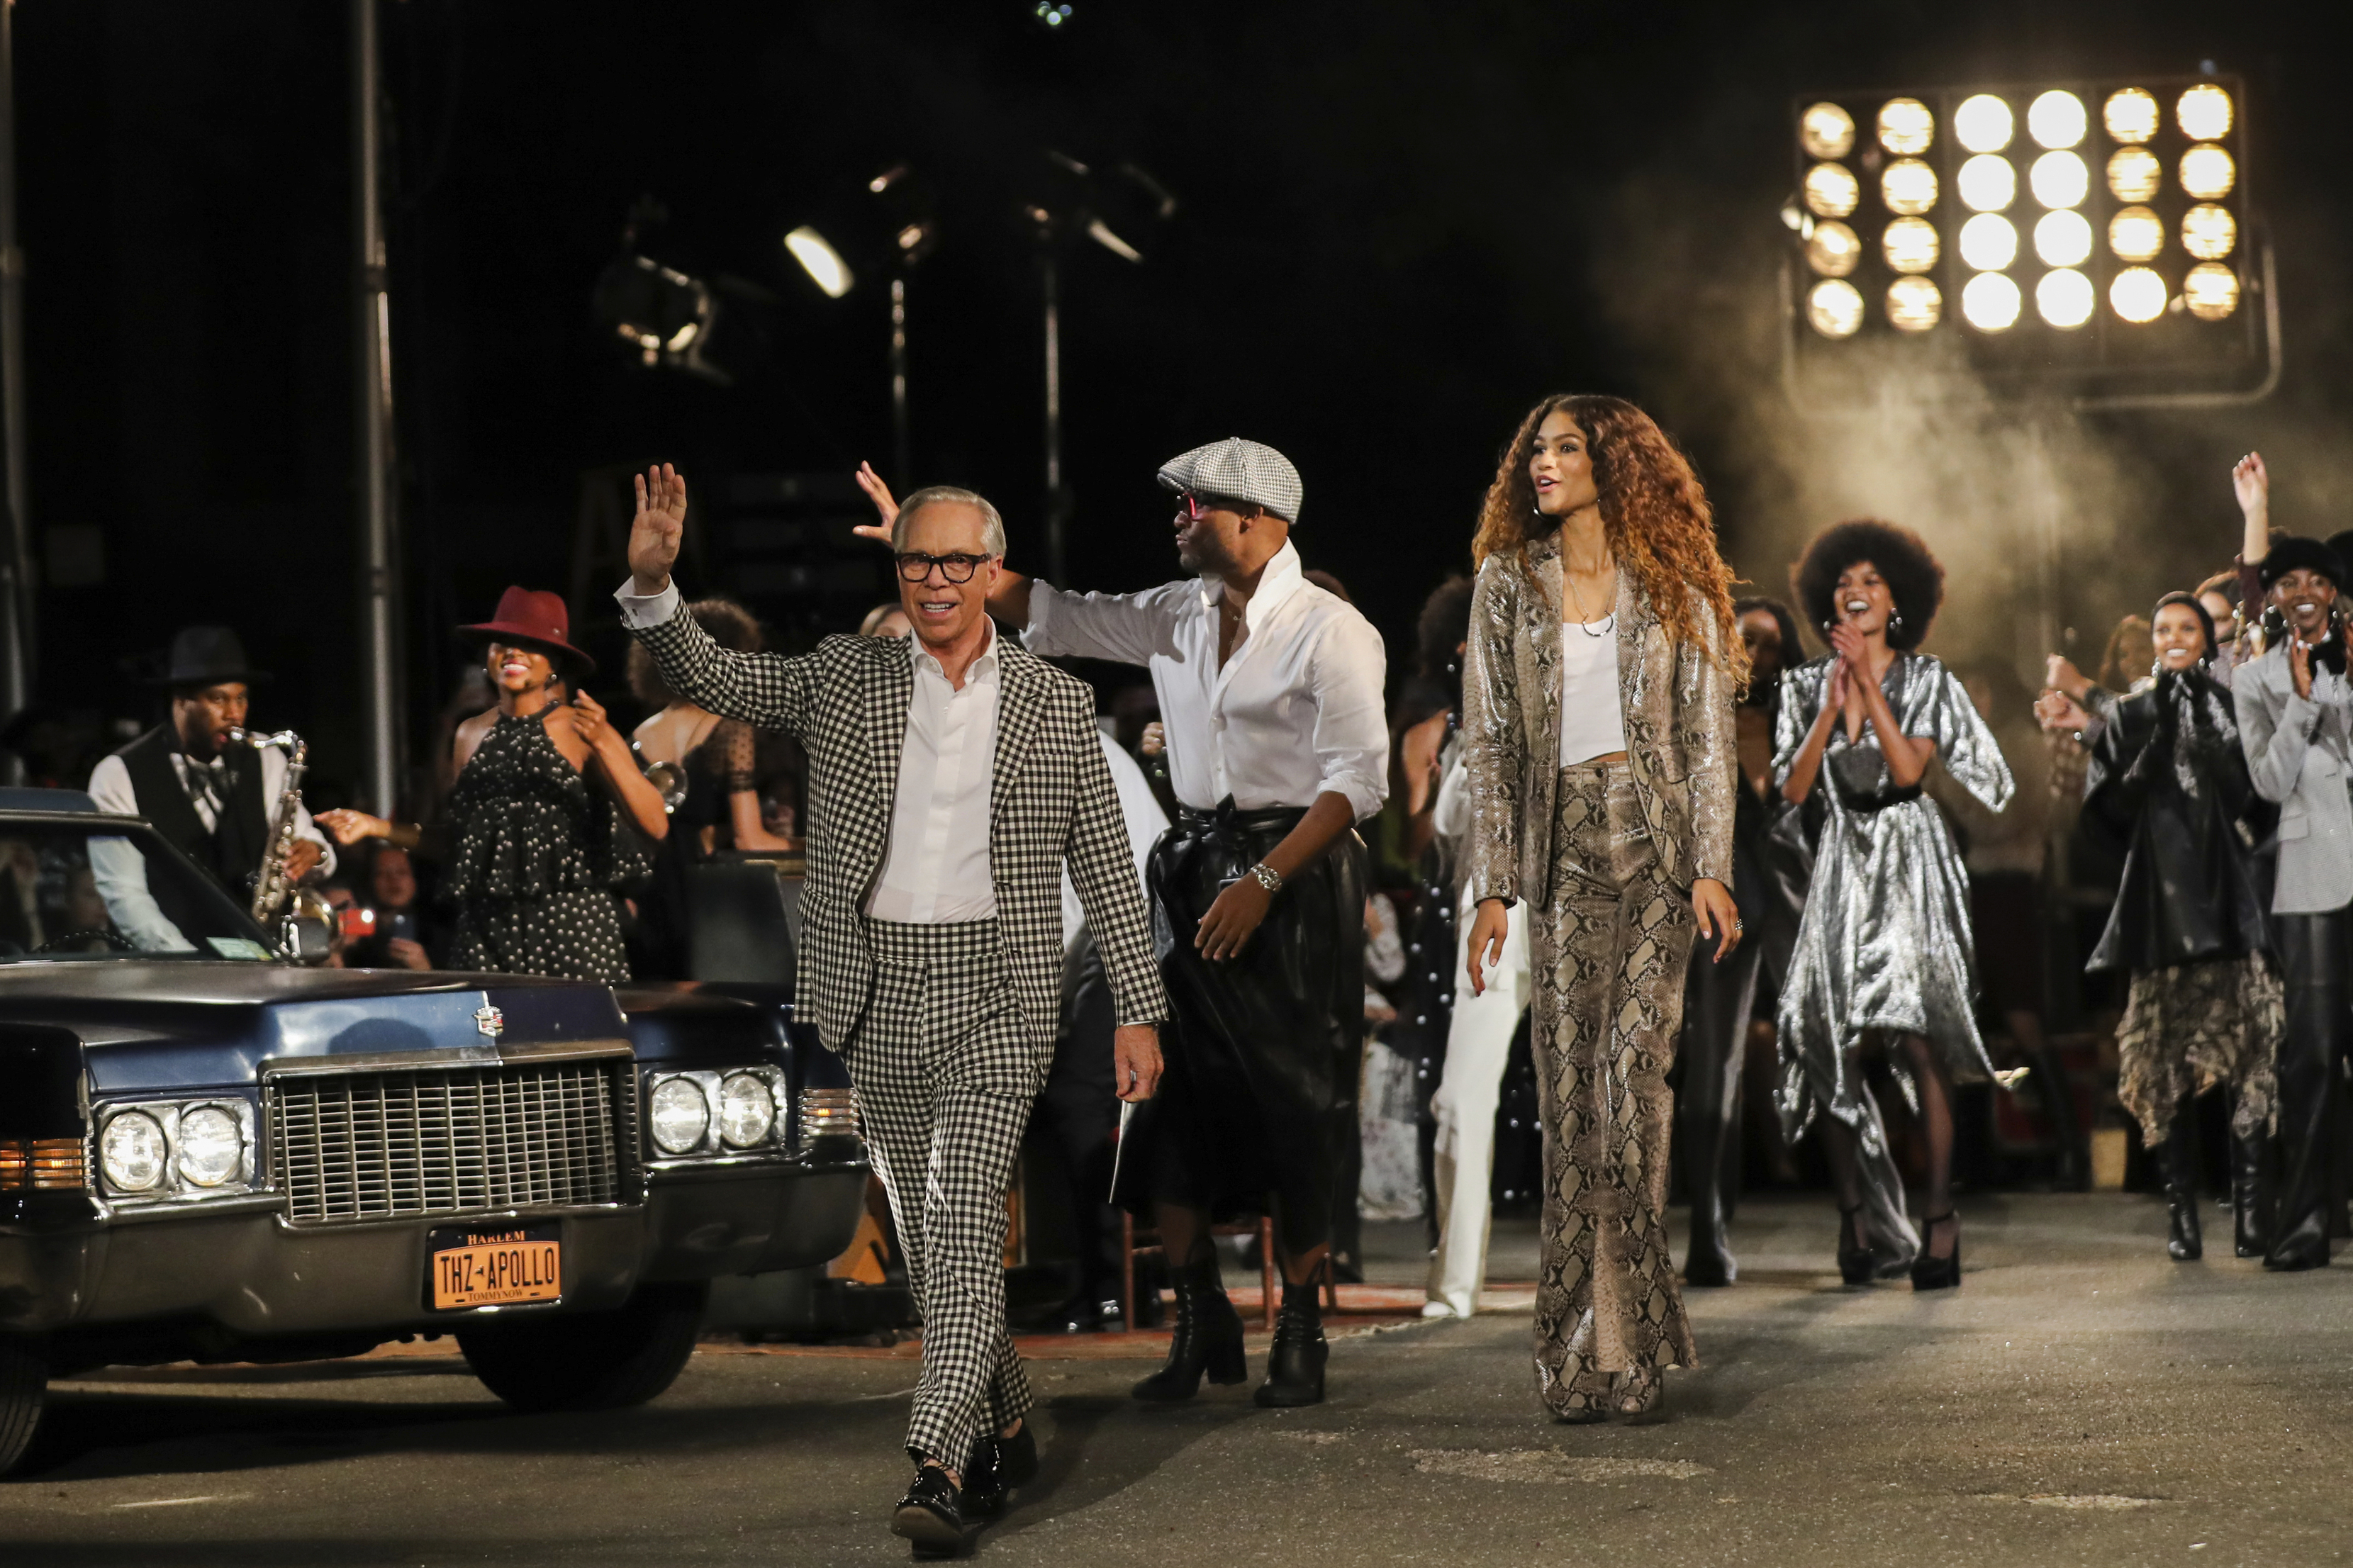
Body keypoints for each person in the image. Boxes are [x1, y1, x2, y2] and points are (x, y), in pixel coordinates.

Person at [620, 466, 1165, 1550]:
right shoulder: (843, 675)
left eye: (958, 561)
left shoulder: (1055, 701)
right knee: (930, 1237)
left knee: (960, 1212)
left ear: (991, 571)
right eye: (916, 561)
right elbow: (712, 672)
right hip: (874, 986)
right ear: (899, 570)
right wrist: (652, 583)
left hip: (1001, 990)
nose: (935, 580)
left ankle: (939, 1460)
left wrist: (1136, 1013)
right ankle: (1005, 1413)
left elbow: (1105, 862)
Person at [873, 440, 1385, 1413]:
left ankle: (1301, 1329)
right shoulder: (1175, 613)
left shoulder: (1331, 630)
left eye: (1193, 505)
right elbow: (1058, 614)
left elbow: (1357, 784)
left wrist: (1266, 880)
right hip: (1195, 869)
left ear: (1256, 517)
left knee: (1297, 1107)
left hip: (1297, 878)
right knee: (1163, 1104)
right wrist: (942, 553)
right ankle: (1201, 1317)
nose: (1178, 517)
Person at [1458, 393, 1742, 1421]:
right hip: (1560, 852)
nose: (1543, 465)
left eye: (1566, 449)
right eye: (1535, 449)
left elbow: (1706, 736)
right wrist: (1493, 885)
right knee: (1569, 1103)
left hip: (1657, 850)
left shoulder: (1670, 582)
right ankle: (1571, 1351)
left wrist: (1709, 865)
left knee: (1630, 1084)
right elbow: (1489, 744)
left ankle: (1627, 1347)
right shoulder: (1505, 583)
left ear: (1611, 464)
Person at [1774, 520, 2013, 1292]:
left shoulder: (1928, 679)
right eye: (1847, 580)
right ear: (1827, 599)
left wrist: (1869, 690)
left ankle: (1939, 1216)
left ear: (1898, 598)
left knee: (1914, 1039)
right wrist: (1828, 706)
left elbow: (1909, 771)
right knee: (1830, 1043)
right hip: (1842, 860)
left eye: (1874, 580)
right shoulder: (1801, 684)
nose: (1858, 589)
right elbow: (1791, 789)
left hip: (1909, 858)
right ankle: (1855, 1214)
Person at [319, 588, 666, 982]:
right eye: (503, 642)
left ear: (554, 663)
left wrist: (604, 742)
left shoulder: (581, 728)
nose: (513, 652)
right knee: (489, 1040)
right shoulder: (469, 735)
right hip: (486, 934)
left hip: (572, 930)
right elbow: (464, 845)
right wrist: (377, 827)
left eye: (531, 645)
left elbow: (655, 824)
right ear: (487, 657)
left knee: (577, 1042)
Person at [2079, 593, 2279, 1260]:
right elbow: (2103, 814)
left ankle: (2250, 1212)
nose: (2170, 637)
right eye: (2161, 627)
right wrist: (2158, 730)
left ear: (2204, 639)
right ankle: (2180, 1216)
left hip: (2228, 893)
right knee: (2164, 1059)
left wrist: (2207, 728)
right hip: (2161, 902)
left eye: (2184, 627)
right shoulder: (2130, 712)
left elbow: (2257, 798)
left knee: (2249, 1047)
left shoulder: (2230, 705)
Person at [1668, 597, 1809, 1287]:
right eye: (1746, 640)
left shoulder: (1796, 722)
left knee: (1827, 1051)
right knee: (1710, 1073)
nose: (1758, 657)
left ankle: (1866, 1220)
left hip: (1791, 906)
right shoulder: (1694, 715)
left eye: (1773, 647)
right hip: (1714, 906)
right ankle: (1706, 1232)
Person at [2232, 534, 2353, 1271]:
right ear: (2273, 597)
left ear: (2333, 594)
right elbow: (2270, 784)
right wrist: (2303, 705)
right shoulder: (2255, 679)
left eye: (2317, 580)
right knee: (2310, 1052)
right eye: (2287, 582)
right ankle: (2305, 1220)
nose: (2303, 590)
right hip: (2309, 877)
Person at [87, 626, 332, 948]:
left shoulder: (267, 757)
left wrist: (315, 851)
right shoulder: (118, 774)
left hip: (260, 959)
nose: (235, 714)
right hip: (166, 971)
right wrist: (189, 961)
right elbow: (125, 896)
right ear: (181, 700)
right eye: (218, 699)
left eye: (241, 698)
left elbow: (312, 841)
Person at [627, 598, 795, 978]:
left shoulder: (637, 736)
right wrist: (806, 849)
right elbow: (749, 839)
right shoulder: (733, 723)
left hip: (651, 894)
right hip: (710, 901)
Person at [340, 844, 440, 970]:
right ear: (369, 881)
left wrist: (424, 970)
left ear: (415, 879)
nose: (393, 880)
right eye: (382, 873)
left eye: (402, 872)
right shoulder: (358, 938)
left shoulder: (439, 934)